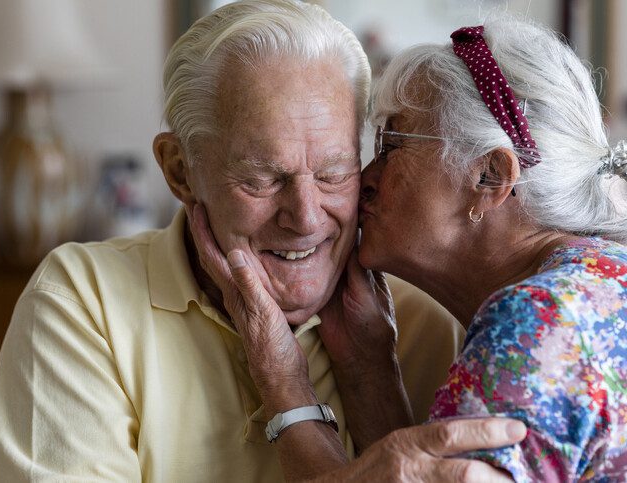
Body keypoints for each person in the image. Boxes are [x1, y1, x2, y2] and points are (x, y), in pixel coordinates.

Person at [0, 2, 525, 482]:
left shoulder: (431, 322)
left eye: (335, 173)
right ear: (180, 172)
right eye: (262, 179)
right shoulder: (84, 302)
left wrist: (371, 379)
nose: (306, 218)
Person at [194, 14, 627, 482]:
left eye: (391, 144)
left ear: (491, 177)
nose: (367, 179)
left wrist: (283, 381)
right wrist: (368, 367)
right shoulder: (598, 283)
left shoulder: (538, 321)